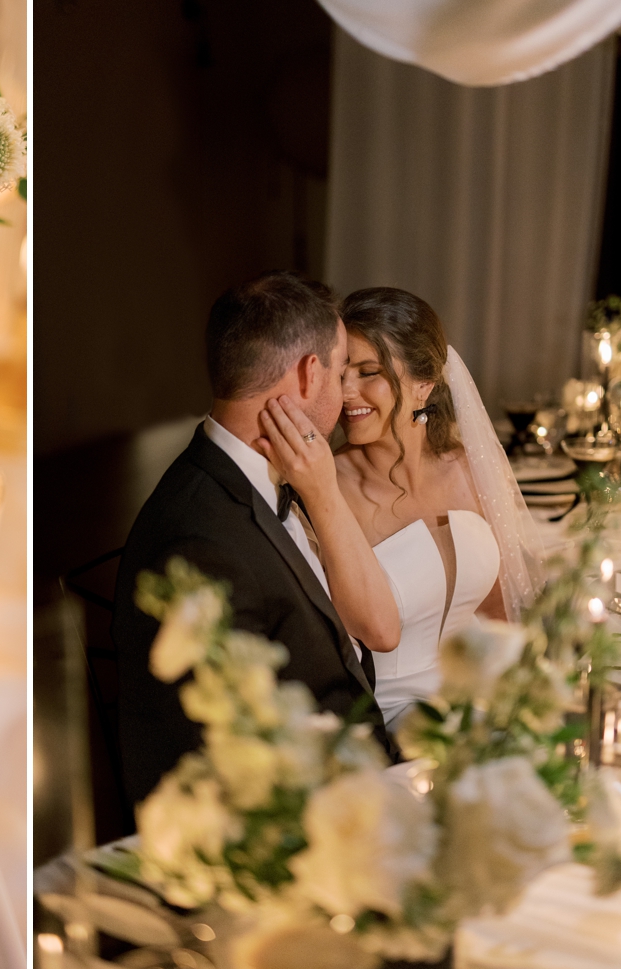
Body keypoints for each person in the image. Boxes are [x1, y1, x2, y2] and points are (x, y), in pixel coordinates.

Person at [112, 271, 397, 811]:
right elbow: (214, 759)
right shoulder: (200, 539)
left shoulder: (280, 471)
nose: (343, 392)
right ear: (310, 375)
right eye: (339, 373)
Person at [257, 286, 544, 731]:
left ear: (423, 385)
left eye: (369, 372)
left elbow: (498, 614)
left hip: (481, 706)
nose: (347, 392)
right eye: (341, 372)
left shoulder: (470, 470)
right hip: (385, 723)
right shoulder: (322, 490)